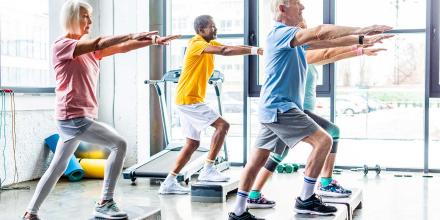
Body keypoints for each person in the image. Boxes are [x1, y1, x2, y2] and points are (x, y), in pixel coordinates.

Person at [229, 0, 392, 219]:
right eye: (298, 4)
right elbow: (320, 32)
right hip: (281, 108)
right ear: (283, 8)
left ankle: (238, 210)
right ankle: (305, 199)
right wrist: (361, 29)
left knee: (257, 160)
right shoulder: (280, 33)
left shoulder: (292, 39)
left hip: (273, 109)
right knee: (324, 140)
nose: (303, 8)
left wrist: (362, 41)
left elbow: (327, 42)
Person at [23, 1, 180, 219]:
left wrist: (152, 41)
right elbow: (99, 42)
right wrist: (132, 33)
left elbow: (121, 47)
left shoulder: (89, 51)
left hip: (74, 116)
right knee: (120, 144)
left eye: (90, 16)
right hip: (74, 116)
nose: (90, 21)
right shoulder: (63, 45)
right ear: (72, 17)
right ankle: (105, 202)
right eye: (85, 16)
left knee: (57, 168)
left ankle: (31, 213)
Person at [158, 15, 263, 195]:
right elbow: (224, 51)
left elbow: (228, 48)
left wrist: (256, 49)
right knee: (223, 126)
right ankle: (208, 169)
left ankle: (169, 182)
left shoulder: (206, 43)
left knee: (192, 144)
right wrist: (254, 51)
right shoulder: (196, 43)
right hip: (189, 100)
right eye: (211, 27)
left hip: (187, 99)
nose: (215, 29)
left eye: (215, 26)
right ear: (201, 30)